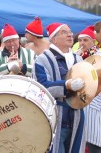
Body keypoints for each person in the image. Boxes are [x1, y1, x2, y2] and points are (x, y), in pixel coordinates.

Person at [32, 22, 86, 153]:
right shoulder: (42, 60)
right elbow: (41, 87)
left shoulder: (79, 60)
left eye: (70, 31)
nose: (70, 34)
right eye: (64, 32)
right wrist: (66, 85)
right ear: (53, 38)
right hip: (54, 117)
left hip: (77, 117)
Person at [75, 26, 101, 152]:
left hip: (93, 101)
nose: (82, 43)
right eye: (80, 40)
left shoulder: (96, 55)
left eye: (85, 40)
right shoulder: (76, 55)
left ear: (93, 40)